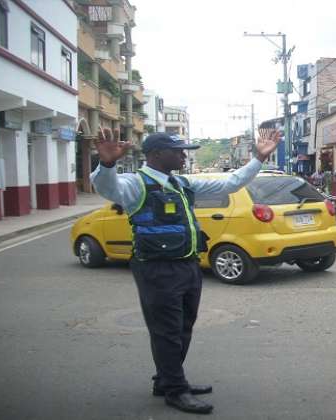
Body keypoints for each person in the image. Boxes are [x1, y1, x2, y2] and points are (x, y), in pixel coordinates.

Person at [91, 129, 279, 414]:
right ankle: (176, 390)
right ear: (155, 155)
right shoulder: (136, 184)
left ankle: (165, 380)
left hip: (188, 264)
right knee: (167, 331)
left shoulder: (181, 183)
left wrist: (258, 158)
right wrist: (106, 165)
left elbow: (230, 183)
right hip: (157, 268)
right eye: (178, 151)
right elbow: (107, 188)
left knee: (183, 327)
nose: (184, 155)